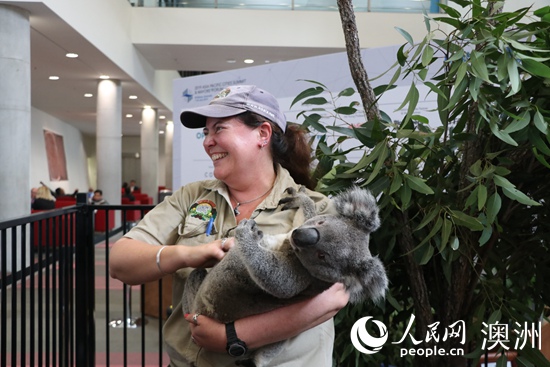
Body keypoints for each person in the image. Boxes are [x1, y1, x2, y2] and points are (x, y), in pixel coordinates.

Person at [109, 85, 349, 367]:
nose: (207, 141)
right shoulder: (191, 197)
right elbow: (119, 261)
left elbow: (337, 294)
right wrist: (186, 255)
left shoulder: (314, 208)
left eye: (219, 128)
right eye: (206, 132)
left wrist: (232, 337)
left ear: (262, 134)